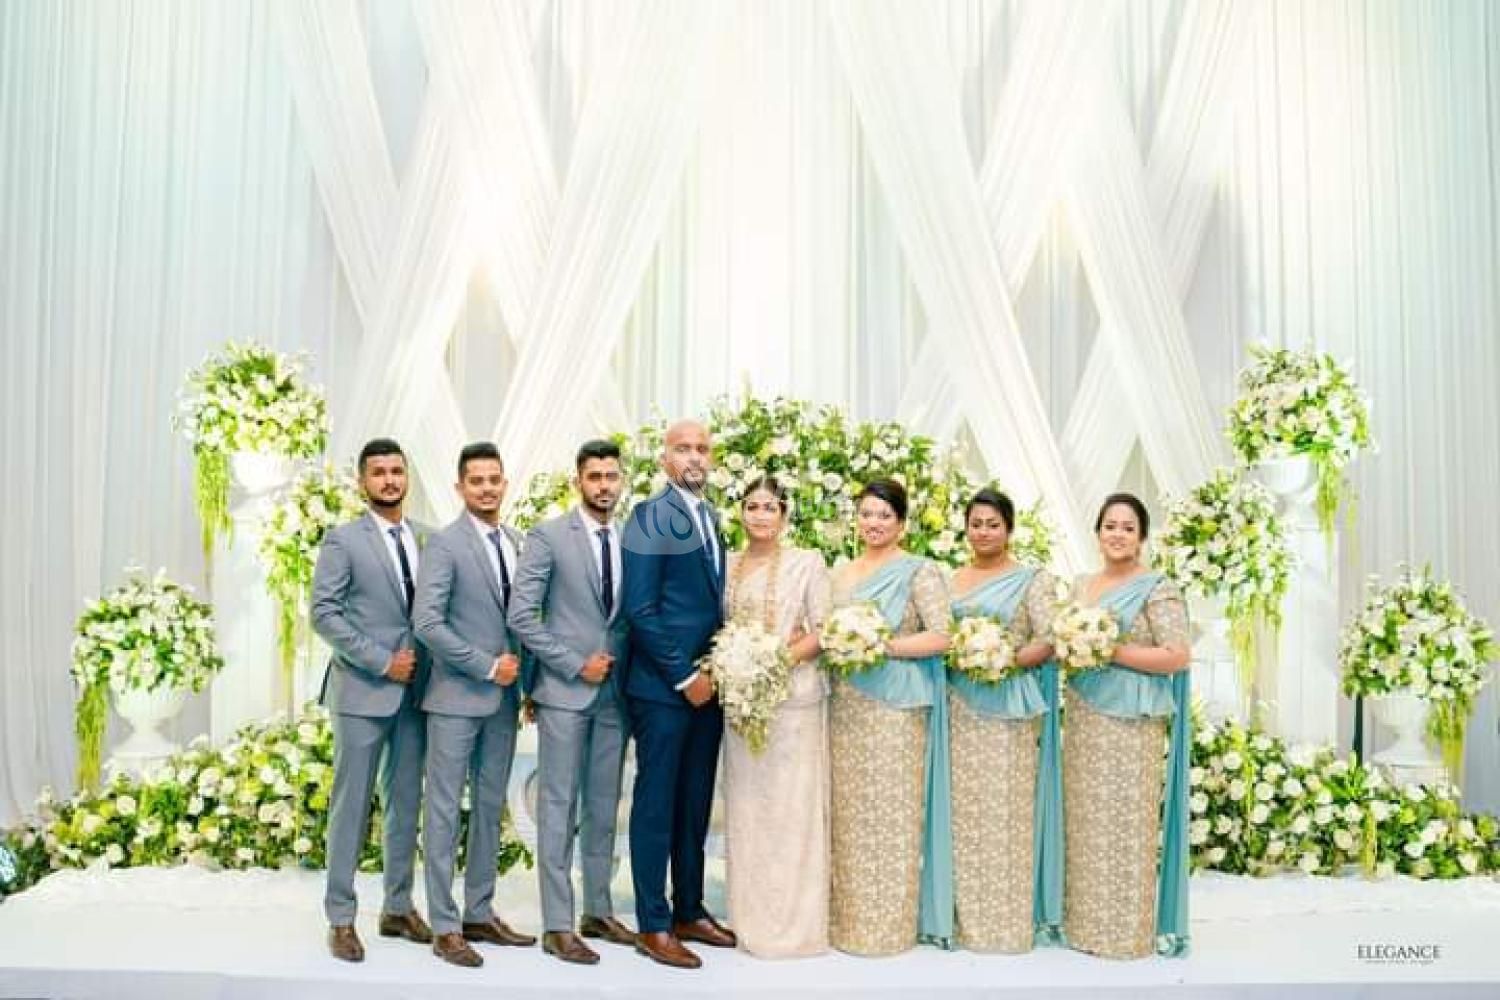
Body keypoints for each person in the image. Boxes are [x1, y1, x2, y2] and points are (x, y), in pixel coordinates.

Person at [508, 439, 636, 965]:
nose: (604, 485)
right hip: (564, 691)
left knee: (604, 806)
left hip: (616, 695)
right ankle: (558, 925)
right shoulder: (548, 536)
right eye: (595, 477)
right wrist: (571, 663)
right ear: (578, 481)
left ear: (621, 480)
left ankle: (598, 911)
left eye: (611, 476)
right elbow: (521, 615)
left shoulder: (631, 539)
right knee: (558, 806)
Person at [414, 442, 537, 968]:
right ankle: (445, 926)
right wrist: (486, 666)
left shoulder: (518, 542)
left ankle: (479, 913)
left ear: (504, 483)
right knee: (444, 810)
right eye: (477, 481)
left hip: (505, 703)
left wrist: (528, 686)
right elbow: (427, 623)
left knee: (490, 807)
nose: (487, 488)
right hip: (455, 699)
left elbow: (525, 623)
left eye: (494, 479)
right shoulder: (444, 545)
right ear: (460, 487)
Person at [621, 419, 737, 969]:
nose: (694, 457)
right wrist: (685, 678)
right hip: (665, 689)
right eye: (683, 448)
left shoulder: (709, 516)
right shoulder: (649, 516)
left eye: (702, 449)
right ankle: (653, 924)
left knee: (694, 803)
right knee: (656, 806)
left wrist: (716, 671)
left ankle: (689, 908)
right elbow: (640, 608)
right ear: (665, 459)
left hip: (709, 686)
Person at [311, 437, 431, 962]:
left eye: (396, 471)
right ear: (363, 482)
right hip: (362, 692)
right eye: (378, 472)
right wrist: (382, 661)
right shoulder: (343, 541)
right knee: (352, 806)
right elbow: (324, 614)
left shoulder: (429, 538)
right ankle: (341, 918)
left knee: (405, 803)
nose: (389, 480)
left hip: (416, 695)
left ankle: (397, 907)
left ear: (407, 478)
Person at [1063, 492, 1192, 959]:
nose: (1117, 534)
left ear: (1141, 538)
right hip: (1084, 719)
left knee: (1126, 822)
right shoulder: (1081, 586)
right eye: (1110, 526)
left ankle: (1124, 932)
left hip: (1132, 724)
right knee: (1087, 822)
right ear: (1098, 532)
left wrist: (1110, 650)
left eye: (1127, 528)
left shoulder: (1157, 587)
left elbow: (1176, 655)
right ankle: (1085, 926)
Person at [828, 478, 953, 955]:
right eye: (866, 514)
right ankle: (849, 923)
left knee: (893, 814)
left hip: (897, 709)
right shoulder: (841, 573)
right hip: (847, 706)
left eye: (884, 515)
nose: (873, 523)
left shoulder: (920, 571)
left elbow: (941, 635)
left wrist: (881, 645)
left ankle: (889, 929)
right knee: (851, 816)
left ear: (901, 523)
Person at [721, 477, 832, 958]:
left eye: (770, 507)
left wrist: (771, 664)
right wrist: (739, 670)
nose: (761, 515)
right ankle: (750, 920)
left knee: (790, 811)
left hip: (793, 705)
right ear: (741, 513)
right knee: (749, 811)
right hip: (740, 706)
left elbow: (824, 630)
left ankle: (794, 926)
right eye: (752, 506)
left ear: (785, 514)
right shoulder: (727, 563)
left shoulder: (807, 563)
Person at [946, 488, 1060, 952]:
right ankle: (966, 920)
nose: (984, 532)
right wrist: (968, 655)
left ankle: (1006, 922)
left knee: (1006, 810)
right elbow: (942, 638)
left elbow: (1048, 639)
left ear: (1009, 529)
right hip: (959, 707)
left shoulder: (1032, 580)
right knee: (965, 813)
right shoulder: (951, 580)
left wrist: (1001, 658)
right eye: (976, 524)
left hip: (1009, 709)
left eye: (993, 524)